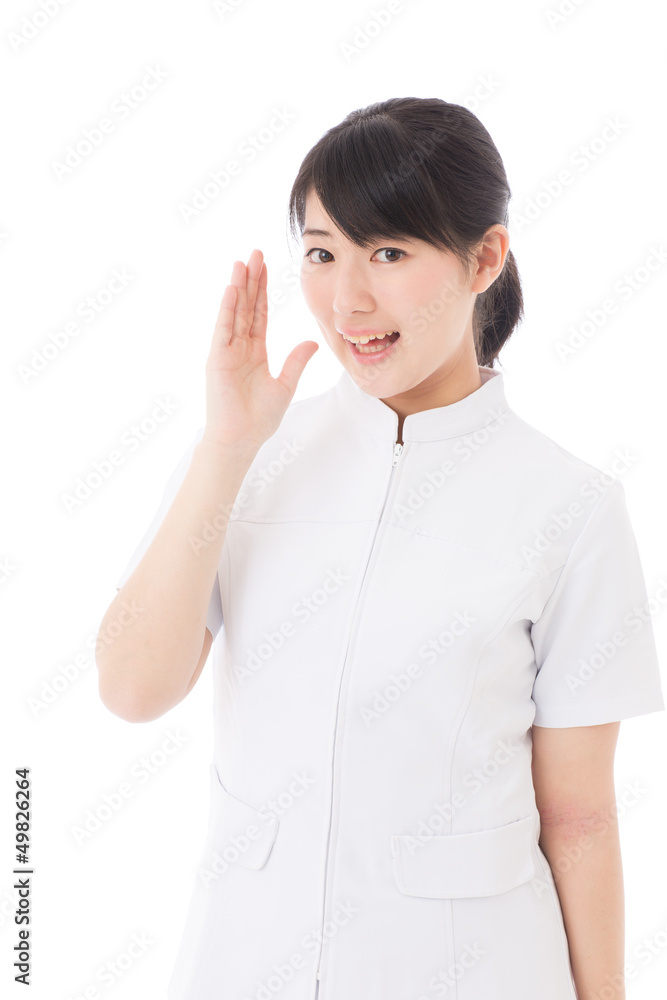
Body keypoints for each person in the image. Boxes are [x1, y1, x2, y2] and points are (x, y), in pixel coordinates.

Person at [96, 97, 664, 1000]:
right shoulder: (247, 456)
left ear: (484, 258)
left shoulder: (570, 509)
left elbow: (582, 815)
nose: (347, 299)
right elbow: (131, 689)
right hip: (248, 964)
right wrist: (226, 449)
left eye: (389, 252)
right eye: (322, 253)